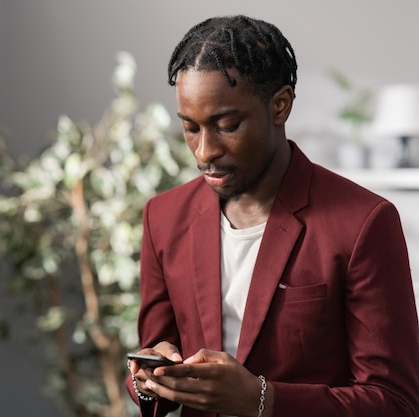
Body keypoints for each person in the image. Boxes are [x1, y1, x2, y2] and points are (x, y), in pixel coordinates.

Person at [125, 15, 419, 417]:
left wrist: (262, 401)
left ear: (280, 105)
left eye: (227, 125)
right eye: (190, 128)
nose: (204, 151)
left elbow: (395, 402)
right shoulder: (164, 217)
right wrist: (147, 379)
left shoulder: (363, 223)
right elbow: (154, 349)